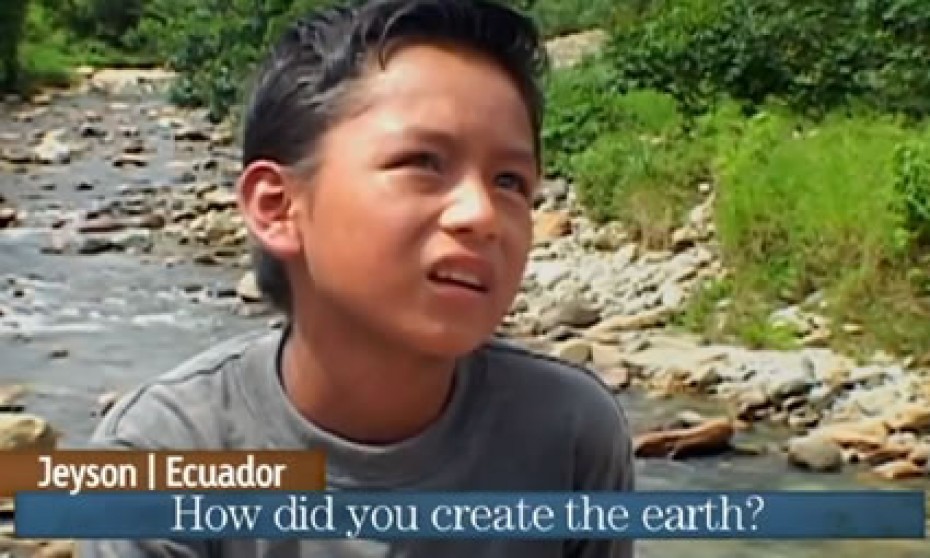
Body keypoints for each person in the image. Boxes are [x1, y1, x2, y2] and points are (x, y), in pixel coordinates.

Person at [79, 0, 635, 556]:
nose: (482, 215)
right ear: (277, 208)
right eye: (423, 162)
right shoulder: (163, 454)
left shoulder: (567, 433)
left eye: (510, 181)